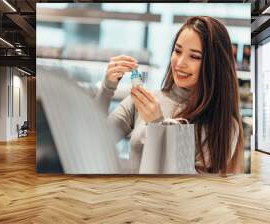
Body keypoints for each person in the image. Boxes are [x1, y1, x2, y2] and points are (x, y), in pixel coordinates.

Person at [96, 16, 244, 174]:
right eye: (177, 51)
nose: (180, 63)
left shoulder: (223, 124)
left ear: (215, 65)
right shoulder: (146, 102)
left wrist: (158, 125)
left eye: (194, 56)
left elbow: (190, 188)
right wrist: (107, 88)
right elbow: (96, 142)